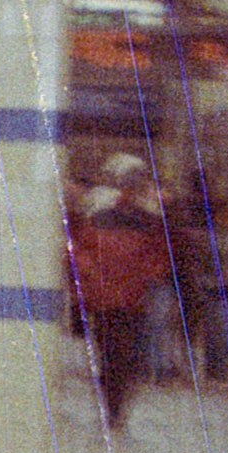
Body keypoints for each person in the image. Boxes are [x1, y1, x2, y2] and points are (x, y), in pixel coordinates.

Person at [70, 154, 173, 436]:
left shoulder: (99, 219)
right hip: (132, 300)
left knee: (110, 355)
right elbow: (159, 260)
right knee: (124, 356)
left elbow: (81, 255)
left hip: (107, 299)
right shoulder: (149, 222)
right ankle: (115, 407)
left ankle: (112, 406)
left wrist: (91, 285)